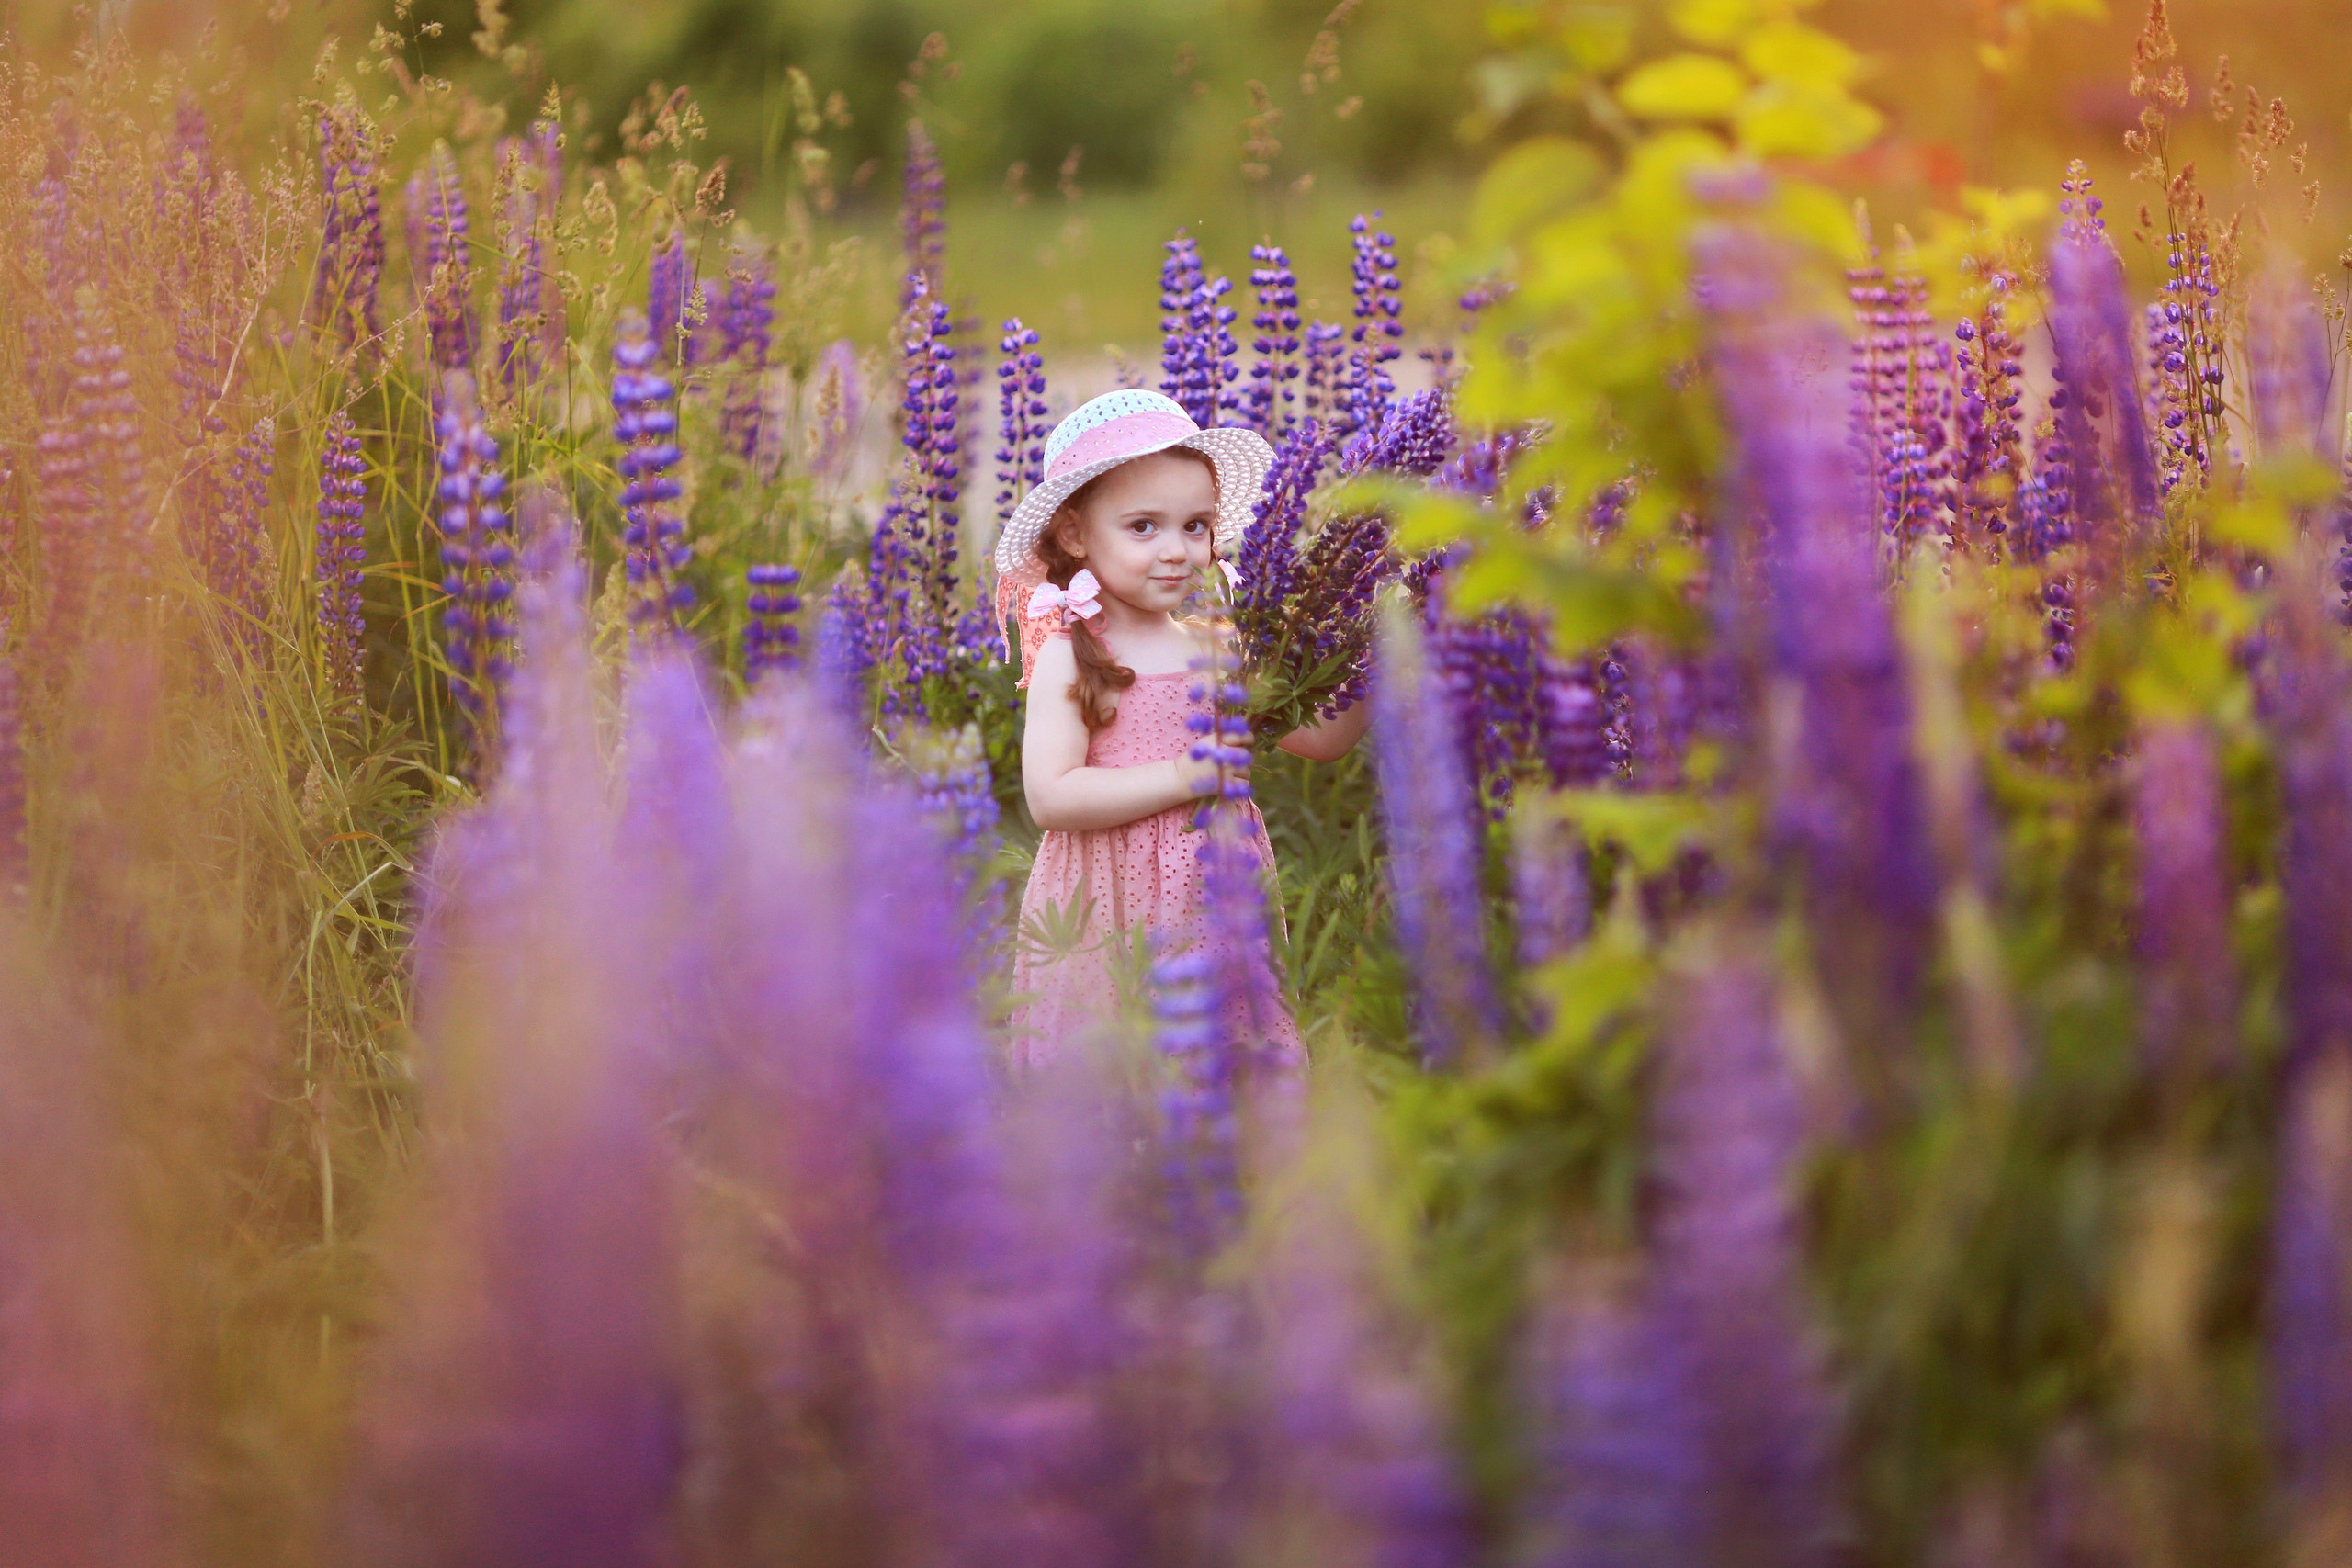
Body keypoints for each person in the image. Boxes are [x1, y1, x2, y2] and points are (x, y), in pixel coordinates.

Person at [993, 389, 1371, 1066]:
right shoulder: (1072, 650)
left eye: (1195, 526)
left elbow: (1320, 738)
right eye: (1144, 527)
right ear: (1076, 534)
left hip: (1213, 892)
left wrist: (1379, 648)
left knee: (1222, 1061)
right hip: (1106, 898)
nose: (1176, 549)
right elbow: (1050, 795)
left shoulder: (1218, 643)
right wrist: (1180, 777)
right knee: (1120, 1066)